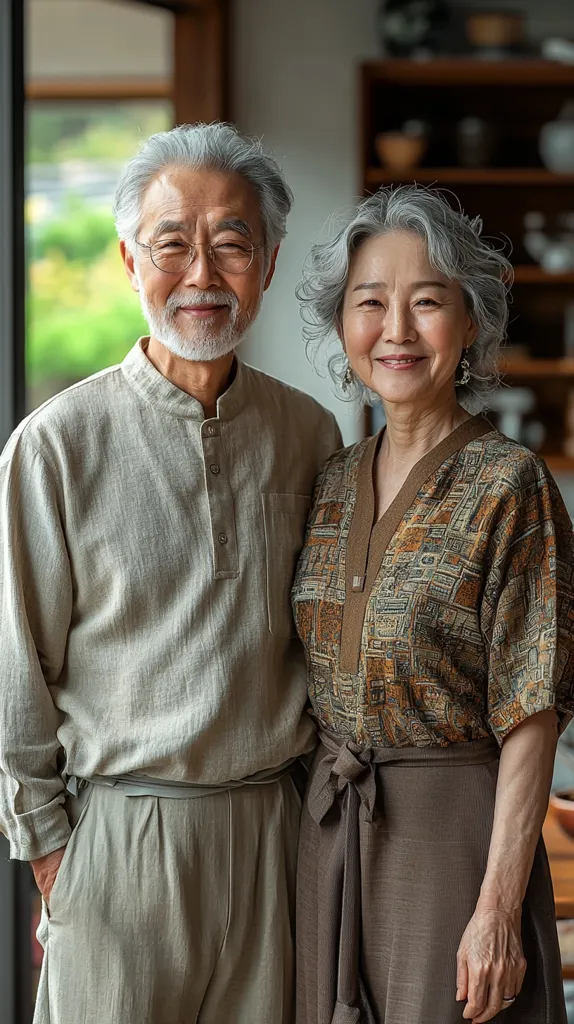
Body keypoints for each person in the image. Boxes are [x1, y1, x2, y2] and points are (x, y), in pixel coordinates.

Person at [0, 122, 342, 1024]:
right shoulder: (56, 445)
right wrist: (49, 851)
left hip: (275, 829)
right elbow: (17, 671)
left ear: (266, 265)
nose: (202, 273)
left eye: (232, 243)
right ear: (127, 259)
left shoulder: (310, 436)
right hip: (120, 836)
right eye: (172, 243)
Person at [292, 185, 574, 1024]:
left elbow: (533, 714)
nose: (398, 331)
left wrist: (495, 911)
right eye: (370, 303)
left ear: (472, 322)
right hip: (331, 841)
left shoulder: (510, 484)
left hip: (454, 847)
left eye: (428, 302)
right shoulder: (330, 480)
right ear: (344, 327)